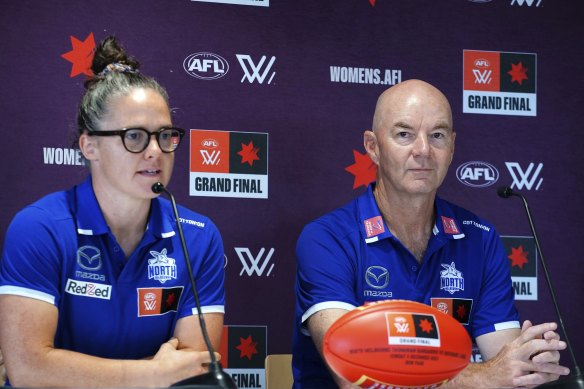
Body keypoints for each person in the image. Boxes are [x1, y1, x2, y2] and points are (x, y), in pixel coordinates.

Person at [292, 79, 570, 388]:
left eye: (437, 135)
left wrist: (529, 363)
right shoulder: (326, 239)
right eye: (404, 134)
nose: (423, 150)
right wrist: (482, 377)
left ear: (452, 146)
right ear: (373, 147)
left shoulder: (480, 238)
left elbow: (506, 366)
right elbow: (354, 375)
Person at [0, 36, 226, 387]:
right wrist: (150, 373)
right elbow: (29, 369)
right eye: (134, 136)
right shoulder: (39, 227)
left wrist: (72, 370)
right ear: (89, 146)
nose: (155, 150)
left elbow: (190, 367)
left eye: (166, 135)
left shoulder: (198, 234)